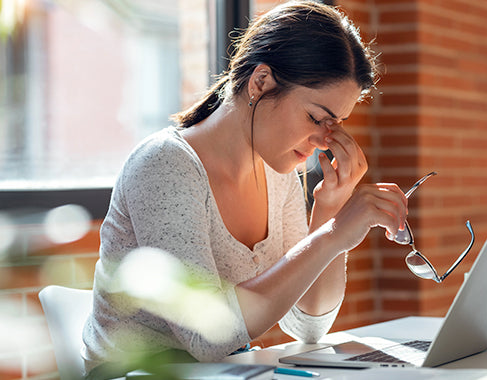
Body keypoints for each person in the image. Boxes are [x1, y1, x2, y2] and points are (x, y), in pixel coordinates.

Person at [81, 1, 408, 378]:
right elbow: (210, 336)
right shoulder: (164, 165)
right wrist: (332, 237)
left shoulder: (278, 171)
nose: (324, 141)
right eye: (316, 118)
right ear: (261, 82)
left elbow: (307, 326)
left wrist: (329, 210)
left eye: (335, 124)